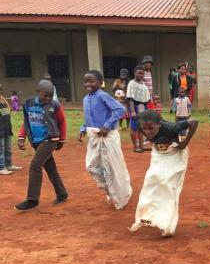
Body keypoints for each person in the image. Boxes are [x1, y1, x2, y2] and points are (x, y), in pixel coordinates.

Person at [130, 110, 198, 237]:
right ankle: (147, 216)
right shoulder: (141, 126)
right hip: (159, 153)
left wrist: (186, 141)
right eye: (145, 128)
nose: (148, 131)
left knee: (168, 186)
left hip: (175, 154)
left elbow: (194, 121)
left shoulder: (171, 128)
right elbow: (145, 132)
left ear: (159, 124)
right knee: (150, 181)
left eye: (151, 128)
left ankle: (166, 223)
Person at [78, 70, 132, 210]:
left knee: (112, 167)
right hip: (94, 137)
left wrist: (107, 125)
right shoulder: (86, 99)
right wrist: (83, 128)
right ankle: (110, 190)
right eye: (86, 81)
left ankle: (121, 196)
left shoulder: (103, 96)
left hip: (108, 137)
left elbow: (120, 110)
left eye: (92, 81)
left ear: (100, 82)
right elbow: (89, 118)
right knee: (92, 166)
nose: (88, 84)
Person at [15, 80, 67, 211]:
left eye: (50, 95)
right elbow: (26, 122)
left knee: (35, 166)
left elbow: (62, 122)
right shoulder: (28, 104)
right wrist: (22, 136)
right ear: (38, 91)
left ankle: (32, 200)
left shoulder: (54, 106)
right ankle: (62, 194)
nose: (48, 98)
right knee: (50, 168)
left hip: (49, 140)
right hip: (36, 141)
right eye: (45, 95)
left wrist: (61, 140)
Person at [127, 65, 151, 153]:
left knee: (141, 127)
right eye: (138, 73)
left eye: (142, 73)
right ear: (134, 73)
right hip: (135, 107)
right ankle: (135, 146)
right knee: (134, 127)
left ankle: (141, 145)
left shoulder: (143, 84)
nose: (140, 75)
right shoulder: (131, 83)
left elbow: (146, 98)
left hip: (142, 107)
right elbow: (130, 98)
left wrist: (146, 109)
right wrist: (133, 111)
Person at [0, 86, 22, 175]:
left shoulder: (4, 100)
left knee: (8, 147)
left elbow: (7, 113)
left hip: (7, 128)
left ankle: (8, 165)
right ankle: (1, 167)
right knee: (0, 149)